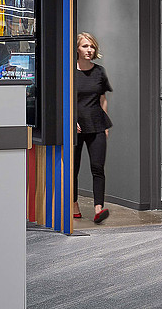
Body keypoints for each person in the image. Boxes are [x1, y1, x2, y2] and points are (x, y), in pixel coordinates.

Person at [73, 32, 113, 224]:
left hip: (97, 125)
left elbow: (102, 99)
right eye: (85, 46)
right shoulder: (69, 72)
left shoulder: (99, 72)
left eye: (92, 47)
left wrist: (105, 127)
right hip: (76, 127)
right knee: (74, 168)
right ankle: (73, 204)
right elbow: (64, 99)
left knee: (98, 168)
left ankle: (99, 208)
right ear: (77, 49)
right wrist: (72, 121)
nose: (89, 50)